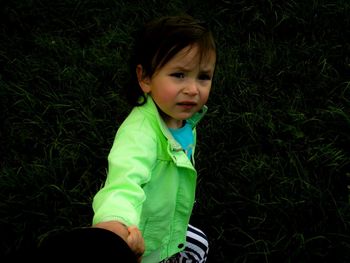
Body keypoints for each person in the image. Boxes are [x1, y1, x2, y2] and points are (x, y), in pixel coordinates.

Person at [91, 14, 216, 263]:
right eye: (179, 75)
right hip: (143, 238)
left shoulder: (182, 117)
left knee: (200, 245)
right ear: (145, 78)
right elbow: (122, 186)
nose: (193, 89)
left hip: (167, 219)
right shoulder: (139, 135)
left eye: (203, 76)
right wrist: (115, 230)